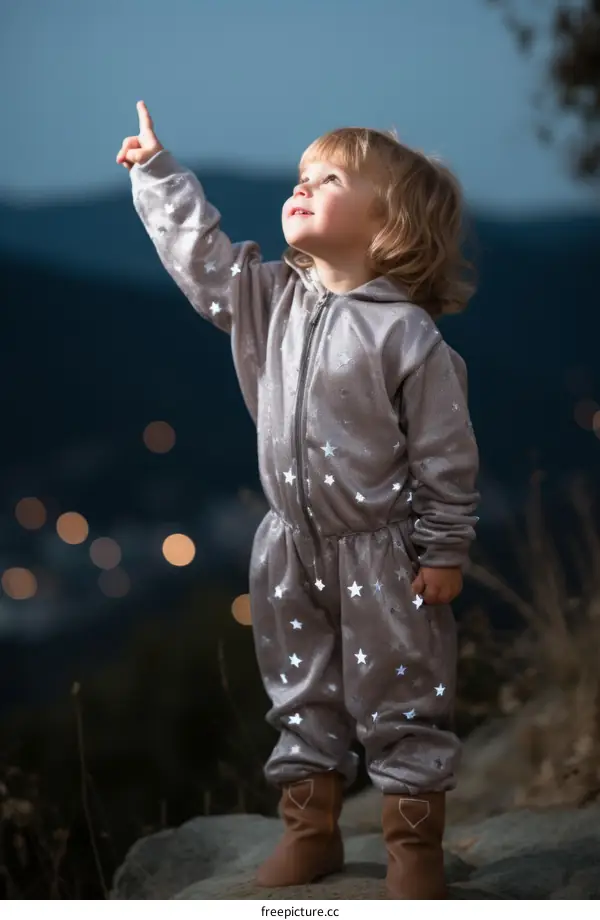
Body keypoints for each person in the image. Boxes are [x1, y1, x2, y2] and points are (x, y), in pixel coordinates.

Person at [116, 101, 480, 899]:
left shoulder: (410, 339)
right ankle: (308, 835)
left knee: (403, 693)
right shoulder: (271, 299)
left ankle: (413, 852)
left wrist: (445, 549)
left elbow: (446, 456)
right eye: (300, 176)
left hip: (385, 552)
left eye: (329, 178)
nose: (301, 187)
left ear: (388, 225)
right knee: (299, 691)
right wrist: (158, 174)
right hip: (287, 545)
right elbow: (203, 261)